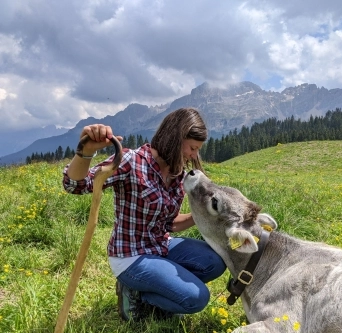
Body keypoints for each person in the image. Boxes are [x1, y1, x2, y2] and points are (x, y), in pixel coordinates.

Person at [63, 107, 226, 322]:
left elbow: (170, 224)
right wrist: (86, 151)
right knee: (196, 298)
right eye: (193, 148)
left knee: (215, 262)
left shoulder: (177, 172)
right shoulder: (131, 161)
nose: (194, 155)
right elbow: (75, 185)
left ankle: (160, 286)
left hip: (160, 245)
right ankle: (136, 292)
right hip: (131, 256)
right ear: (175, 138)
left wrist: (202, 215)